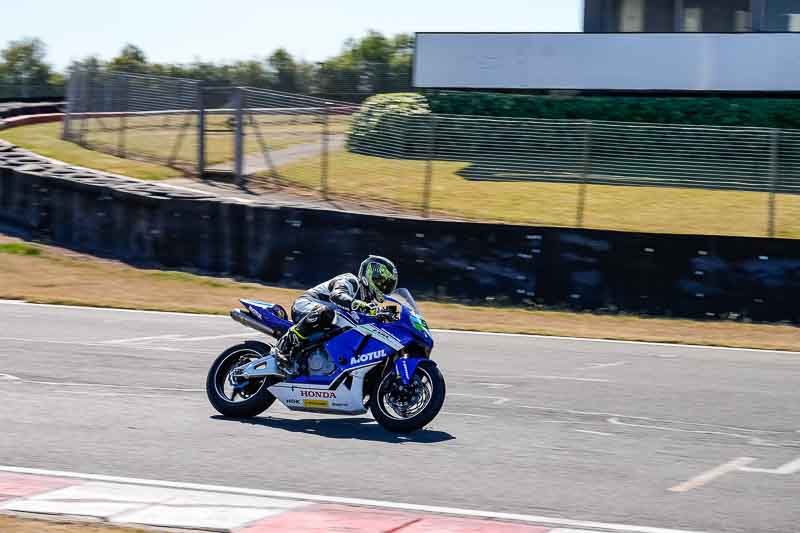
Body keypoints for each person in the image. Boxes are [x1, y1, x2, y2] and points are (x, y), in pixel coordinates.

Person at [272, 255, 398, 374]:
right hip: (305, 306)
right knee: (326, 312)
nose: (385, 288)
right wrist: (361, 306)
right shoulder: (350, 281)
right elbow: (337, 295)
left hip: (327, 321)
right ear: (370, 277)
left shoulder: (367, 300)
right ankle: (285, 345)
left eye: (388, 286)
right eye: (383, 283)